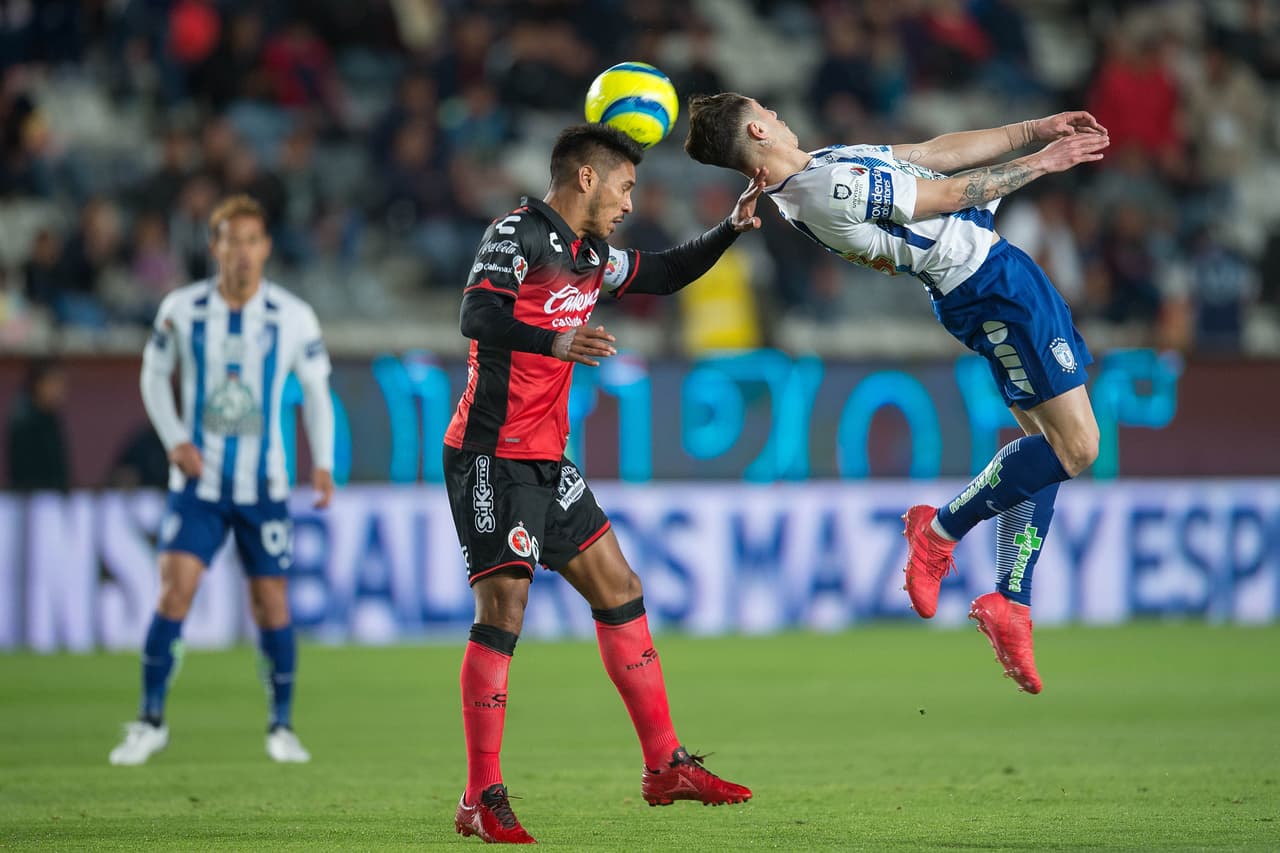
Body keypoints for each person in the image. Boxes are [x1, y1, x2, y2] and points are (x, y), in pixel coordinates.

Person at [685, 93, 1110, 696]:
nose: (781, 114)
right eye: (769, 112)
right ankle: (938, 531)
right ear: (757, 128)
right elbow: (944, 195)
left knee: (1042, 449)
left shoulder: (822, 166)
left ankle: (1012, 603)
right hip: (995, 288)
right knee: (1078, 449)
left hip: (985, 279)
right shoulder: (826, 188)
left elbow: (935, 156)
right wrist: (1048, 161)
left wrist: (1033, 130)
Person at [445, 123, 763, 844]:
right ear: (586, 178)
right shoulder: (517, 233)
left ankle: (665, 765)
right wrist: (556, 340)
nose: (629, 202)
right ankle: (479, 795)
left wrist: (731, 228)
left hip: (546, 458)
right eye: (625, 186)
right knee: (505, 607)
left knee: (619, 587)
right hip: (491, 452)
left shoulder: (591, 257)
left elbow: (665, 271)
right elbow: (476, 314)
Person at [109, 194, 335, 766]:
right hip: (199, 486)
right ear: (214, 247)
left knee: (271, 606)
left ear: (265, 248)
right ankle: (149, 720)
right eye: (231, 241)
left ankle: (281, 726)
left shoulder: (293, 316)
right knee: (173, 591)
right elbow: (153, 374)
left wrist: (325, 462)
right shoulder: (182, 310)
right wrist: (173, 440)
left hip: (265, 488)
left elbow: (316, 394)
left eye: (252, 241)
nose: (241, 252)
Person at [5, 358, 70, 492]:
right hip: (34, 500)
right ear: (39, 384)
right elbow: (24, 472)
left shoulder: (50, 417)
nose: (61, 390)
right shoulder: (24, 420)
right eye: (55, 383)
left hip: (51, 497)